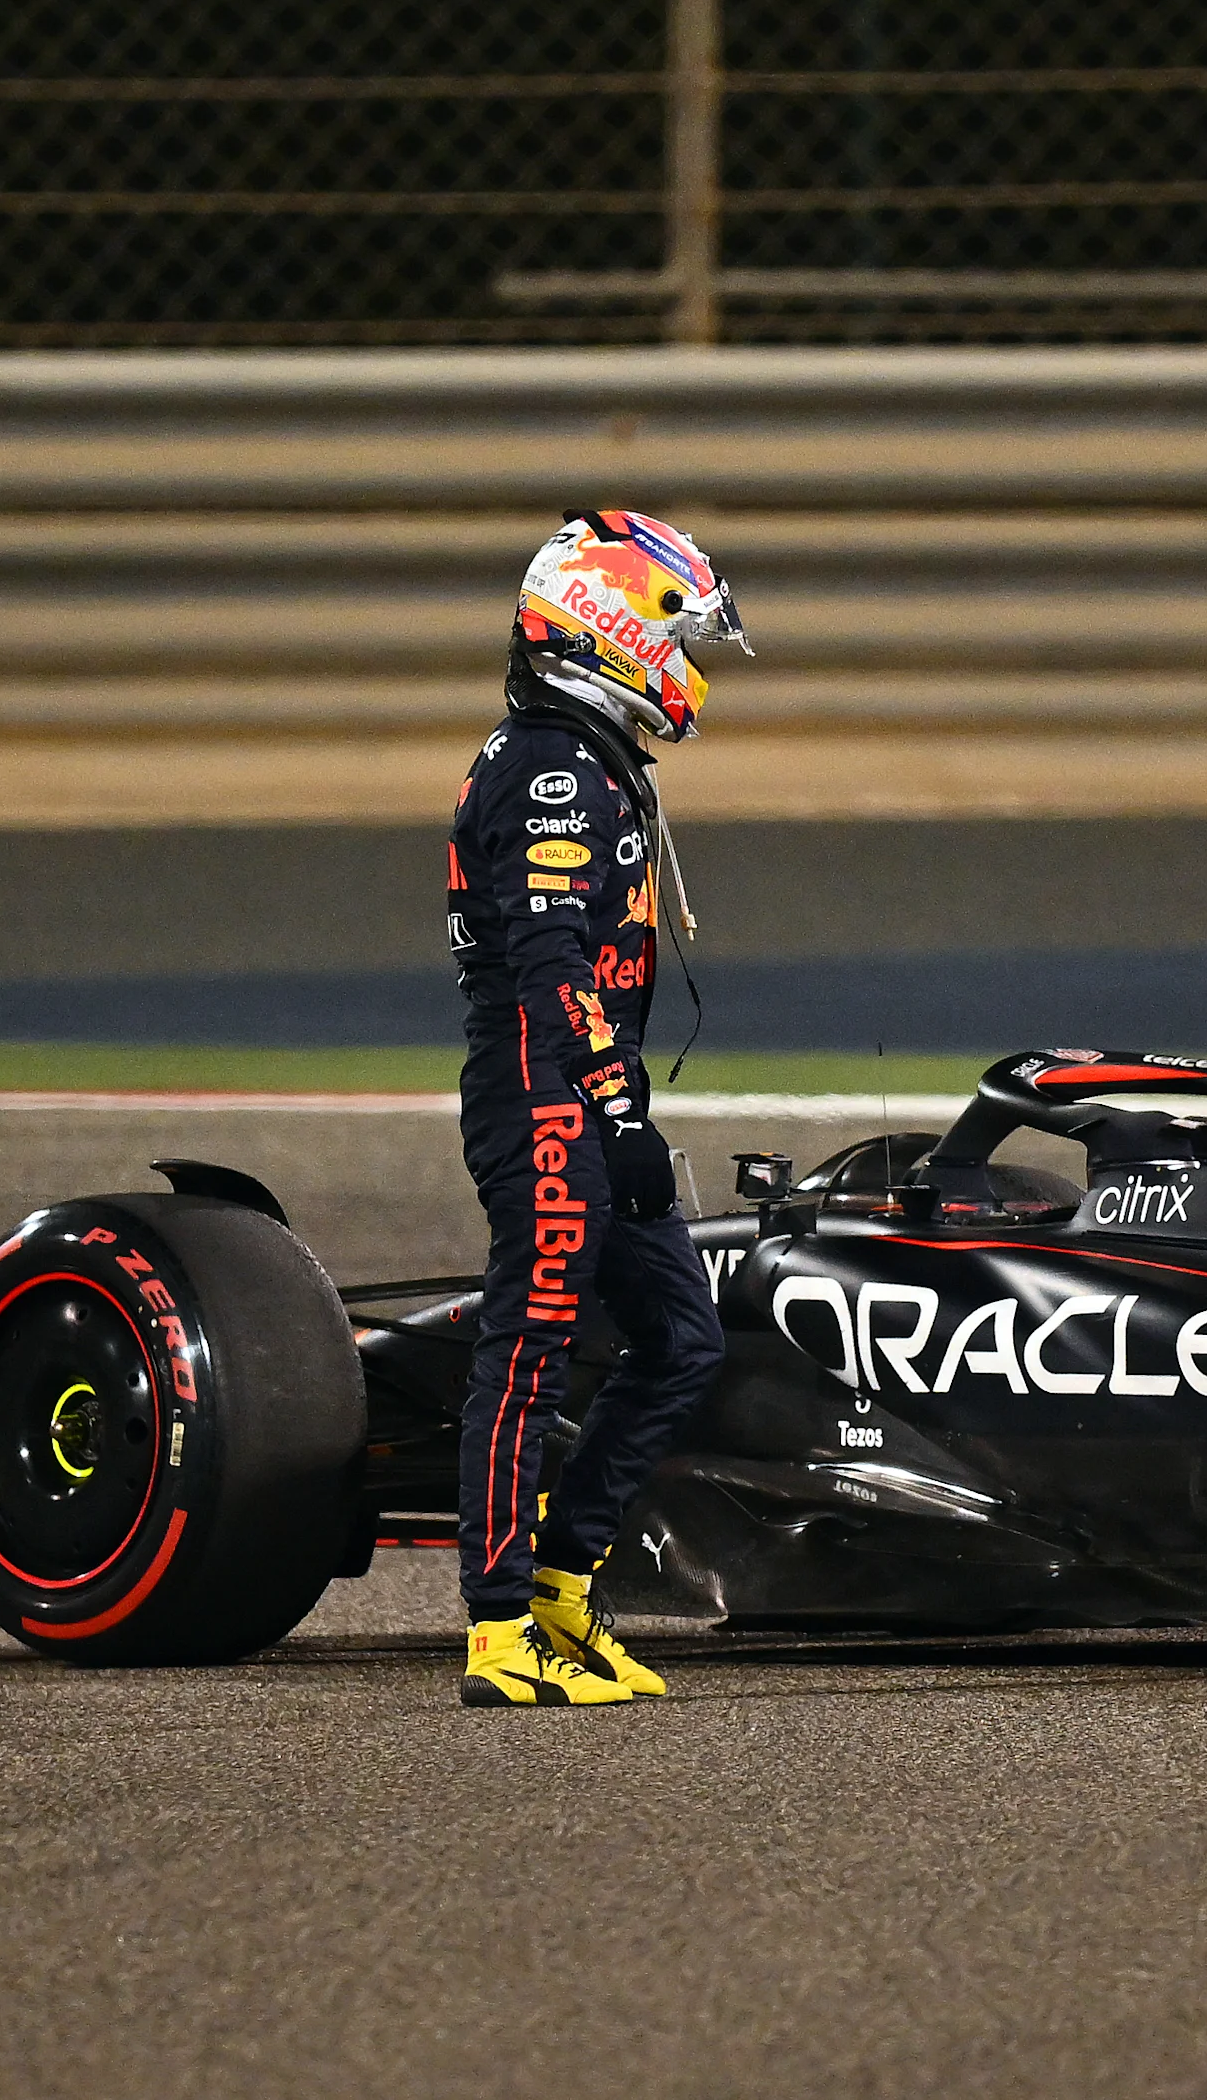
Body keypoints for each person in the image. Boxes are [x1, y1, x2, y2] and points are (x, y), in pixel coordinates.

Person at [446, 510, 748, 1707]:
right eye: (681, 635)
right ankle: (497, 1624)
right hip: (543, 1092)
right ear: (614, 629)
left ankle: (566, 1588)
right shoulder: (554, 769)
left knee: (681, 1338)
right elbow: (550, 964)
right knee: (527, 1346)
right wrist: (618, 1116)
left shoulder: (589, 756)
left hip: (582, 1089)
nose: (693, 667)